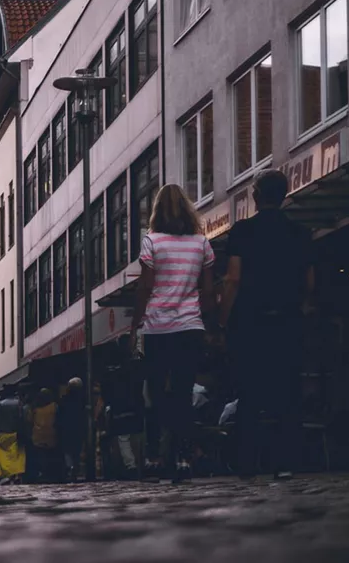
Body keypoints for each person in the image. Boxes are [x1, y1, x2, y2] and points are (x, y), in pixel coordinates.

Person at [220, 169, 315, 481]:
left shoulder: (242, 231)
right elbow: (309, 282)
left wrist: (223, 320)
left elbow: (233, 278)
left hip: (250, 324)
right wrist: (300, 311)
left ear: (257, 196)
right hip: (287, 322)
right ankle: (287, 461)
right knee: (287, 391)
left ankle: (248, 463)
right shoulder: (300, 232)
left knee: (249, 392)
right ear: (284, 194)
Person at [132, 183, 216, 484]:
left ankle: (155, 456)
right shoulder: (201, 243)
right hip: (189, 326)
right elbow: (207, 290)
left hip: (157, 327)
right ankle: (183, 456)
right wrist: (208, 323)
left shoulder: (151, 241)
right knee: (183, 392)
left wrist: (136, 325)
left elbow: (145, 286)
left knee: (155, 393)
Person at [102, 333, 145, 479]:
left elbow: (106, 390)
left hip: (119, 407)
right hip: (136, 405)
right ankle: (143, 463)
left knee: (123, 438)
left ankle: (131, 465)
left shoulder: (111, 367)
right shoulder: (136, 364)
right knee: (137, 435)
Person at [0, 385, 27, 484]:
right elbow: (22, 418)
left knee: (4, 455)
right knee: (17, 454)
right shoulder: (19, 403)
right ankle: (17, 473)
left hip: (3, 433)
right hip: (16, 432)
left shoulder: (0, 404)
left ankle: (7, 474)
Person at [57, 378, 86, 482]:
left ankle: (71, 468)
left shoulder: (64, 399)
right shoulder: (82, 399)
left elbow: (59, 415)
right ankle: (74, 468)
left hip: (67, 429)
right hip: (77, 428)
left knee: (68, 450)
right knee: (75, 450)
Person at [29, 387, 59, 483]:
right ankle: (49, 474)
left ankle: (42, 473)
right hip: (51, 434)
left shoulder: (34, 408)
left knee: (40, 456)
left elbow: (29, 420)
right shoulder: (54, 406)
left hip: (37, 435)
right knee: (50, 455)